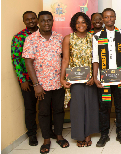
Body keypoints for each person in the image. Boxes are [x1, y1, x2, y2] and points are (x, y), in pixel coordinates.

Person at [23, 11, 69, 153]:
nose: (46, 23)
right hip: (41, 85)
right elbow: (28, 62)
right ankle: (46, 140)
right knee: (43, 112)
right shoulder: (31, 39)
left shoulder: (59, 38)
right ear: (38, 22)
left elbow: (65, 59)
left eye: (49, 20)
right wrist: (36, 85)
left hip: (58, 82)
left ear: (52, 21)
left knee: (59, 110)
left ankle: (59, 136)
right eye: (43, 21)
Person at [11, 11, 56, 146]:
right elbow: (16, 60)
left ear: (37, 20)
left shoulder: (46, 34)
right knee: (30, 107)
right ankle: (32, 134)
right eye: (27, 19)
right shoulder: (19, 37)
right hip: (28, 80)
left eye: (33, 19)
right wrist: (22, 80)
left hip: (45, 78)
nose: (30, 21)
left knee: (47, 107)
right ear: (24, 21)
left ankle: (48, 131)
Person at [60, 12, 99, 147]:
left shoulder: (93, 38)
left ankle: (88, 134)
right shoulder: (68, 38)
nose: (80, 25)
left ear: (88, 24)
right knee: (77, 107)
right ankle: (79, 135)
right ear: (73, 25)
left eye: (83, 22)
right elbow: (65, 59)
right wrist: (62, 78)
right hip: (74, 78)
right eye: (78, 22)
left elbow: (96, 60)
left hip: (89, 78)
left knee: (90, 105)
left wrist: (94, 77)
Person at [92, 8, 121, 147]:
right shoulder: (97, 36)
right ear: (102, 19)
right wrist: (96, 77)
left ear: (115, 18)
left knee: (120, 106)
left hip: (119, 78)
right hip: (104, 79)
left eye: (111, 17)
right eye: (106, 17)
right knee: (105, 106)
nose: (109, 19)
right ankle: (104, 134)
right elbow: (95, 59)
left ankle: (120, 132)